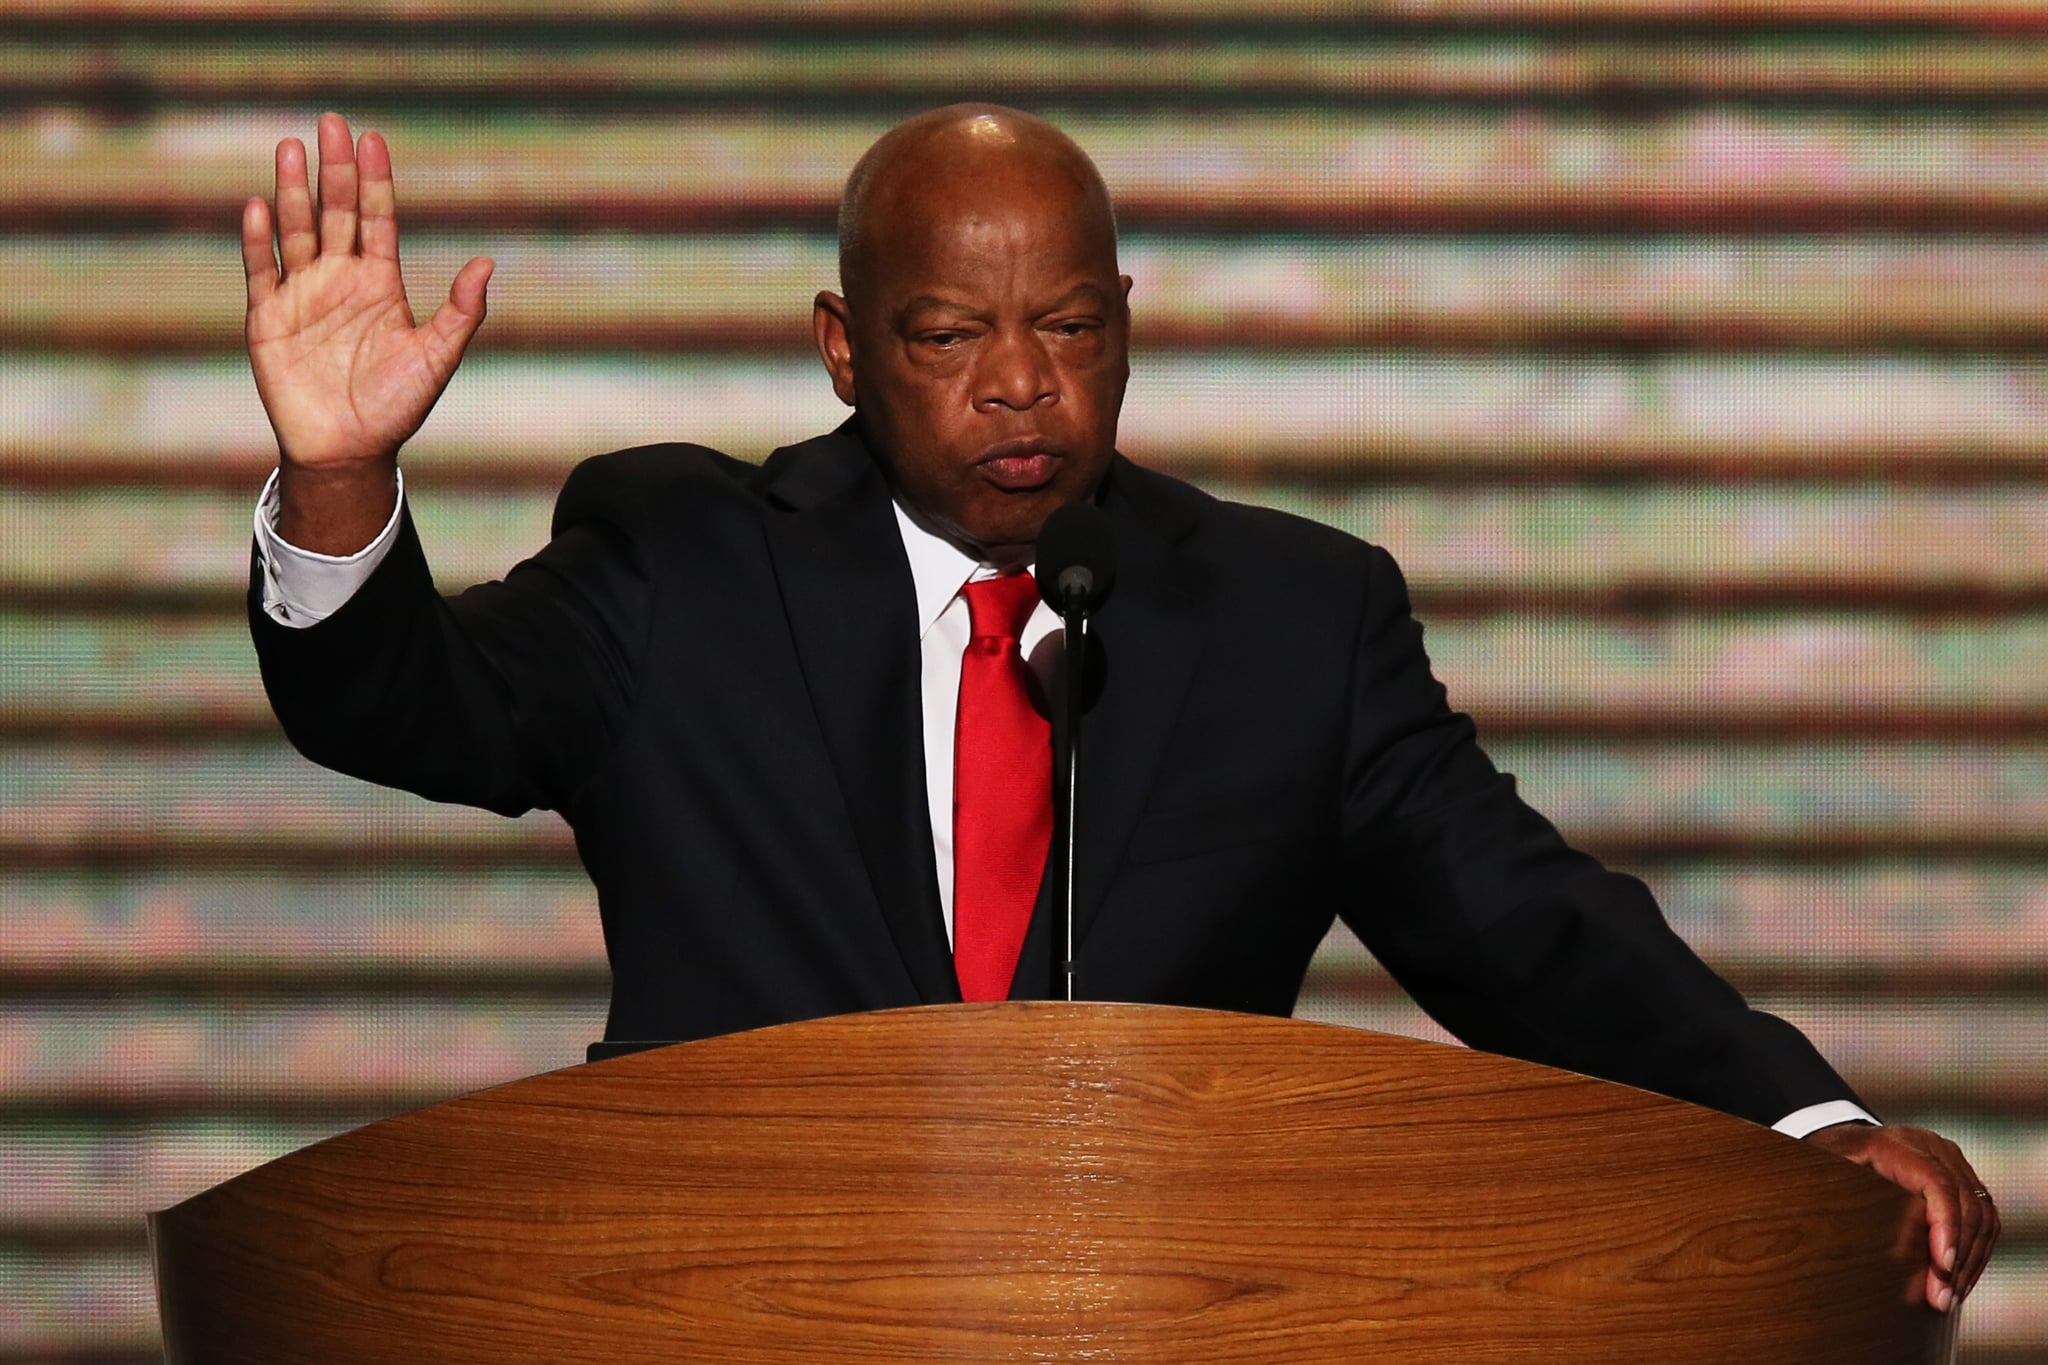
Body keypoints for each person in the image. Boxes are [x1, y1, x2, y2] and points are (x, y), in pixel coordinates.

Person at [240, 105, 1998, 1310]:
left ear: (1128, 327)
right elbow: (413, 707)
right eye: (949, 335)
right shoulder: (682, 562)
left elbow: (1523, 924)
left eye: (1070, 325)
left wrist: (1816, 1125)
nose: (1023, 382)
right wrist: (334, 480)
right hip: (725, 1304)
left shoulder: (1290, 617)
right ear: (844, 348)